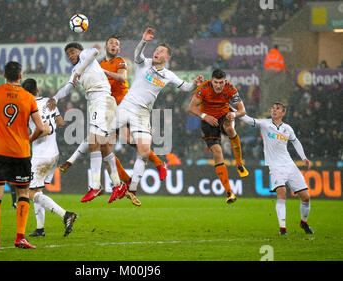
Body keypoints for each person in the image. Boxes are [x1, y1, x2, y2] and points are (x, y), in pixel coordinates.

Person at [58, 35, 168, 200]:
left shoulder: (120, 61)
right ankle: (124, 182)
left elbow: (122, 78)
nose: (114, 45)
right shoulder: (97, 63)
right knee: (103, 147)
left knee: (129, 139)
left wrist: (104, 72)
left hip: (125, 105)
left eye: (117, 44)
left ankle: (158, 164)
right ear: (106, 46)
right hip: (108, 107)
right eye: (111, 43)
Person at [111, 27, 203, 206]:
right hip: (127, 107)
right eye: (156, 49)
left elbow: (184, 87)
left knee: (144, 152)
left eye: (161, 51)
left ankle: (132, 189)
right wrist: (144, 40)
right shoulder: (143, 63)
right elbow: (137, 53)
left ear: (167, 57)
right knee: (102, 140)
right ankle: (115, 181)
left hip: (143, 114)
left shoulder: (168, 75)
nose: (157, 52)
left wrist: (194, 84)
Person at [0, 61, 50, 250]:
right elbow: (41, 127)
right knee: (22, 193)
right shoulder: (28, 97)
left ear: (4, 75)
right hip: (21, 152)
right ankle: (20, 237)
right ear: (20, 76)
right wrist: (28, 139)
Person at [47, 42, 123, 203]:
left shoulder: (85, 56)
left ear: (80, 51)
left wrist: (80, 70)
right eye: (68, 54)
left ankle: (95, 186)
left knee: (94, 141)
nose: (71, 55)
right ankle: (118, 184)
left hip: (101, 99)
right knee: (104, 146)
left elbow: (95, 51)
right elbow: (68, 87)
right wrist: (55, 97)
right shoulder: (75, 70)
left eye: (72, 52)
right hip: (98, 102)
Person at [239, 103, 314, 235]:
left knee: (306, 197)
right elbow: (247, 119)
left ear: (283, 113)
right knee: (282, 192)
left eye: (277, 109)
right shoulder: (264, 124)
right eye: (272, 108)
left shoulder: (287, 128)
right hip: (275, 166)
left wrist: (304, 158)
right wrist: (233, 110)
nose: (274, 110)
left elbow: (295, 141)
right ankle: (283, 229)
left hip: (290, 165)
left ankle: (304, 222)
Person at [21, 78, 77, 237]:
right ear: (37, 89)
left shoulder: (27, 107)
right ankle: (40, 229)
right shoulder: (49, 101)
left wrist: (29, 138)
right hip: (54, 153)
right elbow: (60, 122)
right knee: (37, 190)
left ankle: (66, 215)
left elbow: (43, 130)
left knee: (31, 192)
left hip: (41, 155)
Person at [188, 69, 249, 204]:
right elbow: (191, 107)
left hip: (224, 116)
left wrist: (234, 115)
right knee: (217, 152)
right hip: (208, 122)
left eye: (221, 82)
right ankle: (229, 193)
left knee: (230, 129)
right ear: (211, 81)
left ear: (225, 81)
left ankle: (239, 163)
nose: (218, 86)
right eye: (216, 82)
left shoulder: (230, 88)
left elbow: (242, 111)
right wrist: (205, 116)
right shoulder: (204, 88)